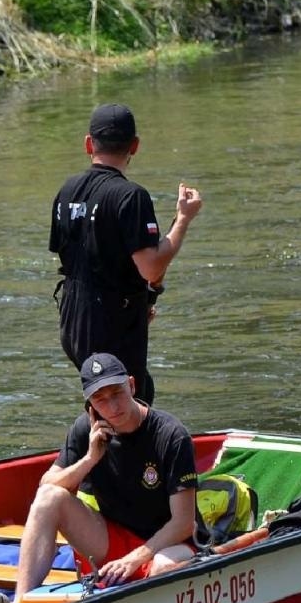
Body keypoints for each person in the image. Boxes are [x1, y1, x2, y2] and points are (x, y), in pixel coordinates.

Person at [0, 352, 197, 603]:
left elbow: (183, 522)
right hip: (113, 540)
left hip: (170, 545)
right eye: (101, 399)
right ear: (90, 405)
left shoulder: (171, 435)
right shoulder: (85, 430)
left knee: (163, 566)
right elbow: (47, 485)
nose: (113, 407)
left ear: (132, 385)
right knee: (49, 497)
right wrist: (89, 459)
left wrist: (134, 558)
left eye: (117, 393)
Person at [49, 102, 203, 405]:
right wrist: (183, 219)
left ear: (89, 144)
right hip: (110, 325)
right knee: (130, 403)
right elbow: (151, 267)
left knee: (113, 397)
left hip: (73, 322)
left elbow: (77, 258)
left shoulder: (67, 190)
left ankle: (97, 435)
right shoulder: (130, 196)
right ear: (134, 146)